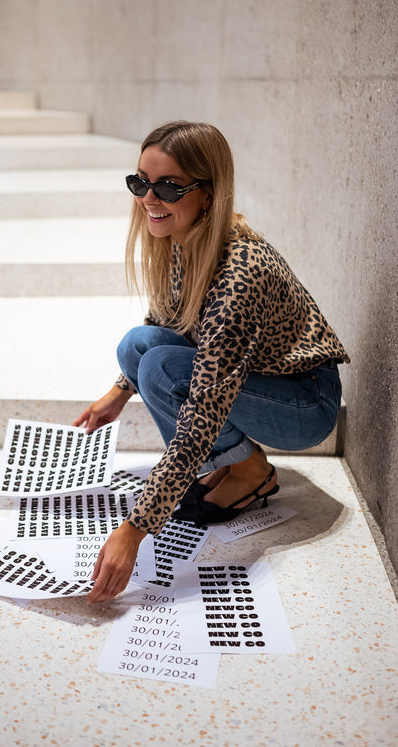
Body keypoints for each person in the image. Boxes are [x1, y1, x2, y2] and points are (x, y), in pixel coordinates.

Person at [74, 120, 349, 604]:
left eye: (168, 187)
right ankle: (237, 463)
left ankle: (248, 472)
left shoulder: (238, 273)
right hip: (259, 376)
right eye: (140, 182)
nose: (149, 199)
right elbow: (166, 319)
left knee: (159, 368)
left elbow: (203, 410)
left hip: (304, 400)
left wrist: (135, 529)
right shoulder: (187, 237)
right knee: (137, 346)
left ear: (208, 193)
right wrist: (119, 391)